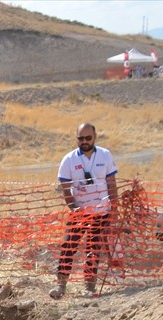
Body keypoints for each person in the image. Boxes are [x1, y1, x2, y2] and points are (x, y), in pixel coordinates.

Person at [52, 122, 118, 298]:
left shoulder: (105, 155)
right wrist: (74, 208)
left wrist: (115, 208)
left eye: (88, 138)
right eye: (81, 138)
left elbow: (111, 183)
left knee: (93, 248)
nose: (84, 141)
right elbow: (66, 189)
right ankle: (61, 286)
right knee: (68, 246)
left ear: (95, 137)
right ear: (77, 139)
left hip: (101, 212)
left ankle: (90, 287)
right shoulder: (69, 160)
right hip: (79, 213)